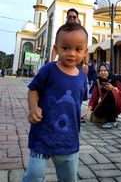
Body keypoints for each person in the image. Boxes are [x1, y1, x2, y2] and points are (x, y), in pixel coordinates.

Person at [21, 22, 88, 182]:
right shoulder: (49, 70)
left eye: (78, 49)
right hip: (42, 136)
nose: (72, 53)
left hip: (69, 140)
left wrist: (88, 110)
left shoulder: (83, 77)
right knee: (34, 175)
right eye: (66, 48)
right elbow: (33, 89)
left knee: (69, 177)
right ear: (56, 49)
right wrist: (33, 108)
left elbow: (80, 101)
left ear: (85, 52)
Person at [83, 62, 121, 129]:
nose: (103, 72)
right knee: (96, 114)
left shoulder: (116, 78)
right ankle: (108, 117)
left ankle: (112, 121)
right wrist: (88, 110)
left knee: (111, 93)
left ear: (109, 70)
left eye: (105, 70)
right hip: (106, 102)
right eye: (101, 71)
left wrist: (113, 88)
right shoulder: (98, 81)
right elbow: (94, 98)